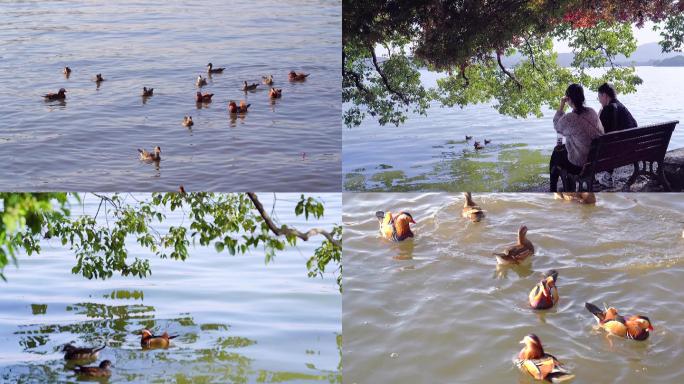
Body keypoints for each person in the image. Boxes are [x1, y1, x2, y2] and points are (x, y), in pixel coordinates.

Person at [549, 84, 604, 192]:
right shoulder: (592, 112)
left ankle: (553, 189)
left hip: (580, 165)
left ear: (568, 99)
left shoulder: (570, 118)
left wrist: (561, 106)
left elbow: (557, 127)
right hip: (597, 160)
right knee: (562, 150)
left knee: (556, 154)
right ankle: (567, 185)